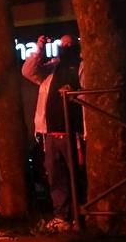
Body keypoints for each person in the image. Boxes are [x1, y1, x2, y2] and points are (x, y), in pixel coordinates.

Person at [22, 35, 82, 228]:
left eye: (68, 44)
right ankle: (62, 216)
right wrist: (38, 49)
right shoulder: (52, 68)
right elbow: (28, 71)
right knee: (56, 177)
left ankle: (80, 213)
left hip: (74, 133)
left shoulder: (82, 67)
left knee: (77, 175)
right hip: (51, 133)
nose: (65, 47)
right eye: (62, 44)